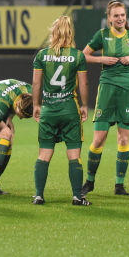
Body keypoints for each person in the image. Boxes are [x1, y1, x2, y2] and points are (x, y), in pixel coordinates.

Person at [81, 0, 129, 197]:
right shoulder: (102, 35)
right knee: (99, 139)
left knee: (124, 138)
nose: (120, 18)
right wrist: (100, 59)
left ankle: (119, 185)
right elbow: (84, 56)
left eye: (122, 15)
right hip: (107, 88)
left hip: (127, 90)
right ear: (109, 18)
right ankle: (89, 181)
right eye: (116, 15)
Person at [31, 15, 90, 206]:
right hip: (69, 111)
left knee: (44, 154)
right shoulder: (78, 55)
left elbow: (36, 83)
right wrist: (83, 105)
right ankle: (77, 196)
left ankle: (39, 195)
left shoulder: (41, 55)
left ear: (53, 32)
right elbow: (83, 84)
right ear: (70, 33)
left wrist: (36, 105)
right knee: (74, 156)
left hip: (48, 110)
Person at [0, 78, 34, 195]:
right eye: (21, 114)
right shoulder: (3, 103)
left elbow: (15, 96)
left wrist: (9, 117)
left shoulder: (30, 93)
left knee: (9, 139)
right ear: (18, 104)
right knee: (6, 133)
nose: (20, 118)